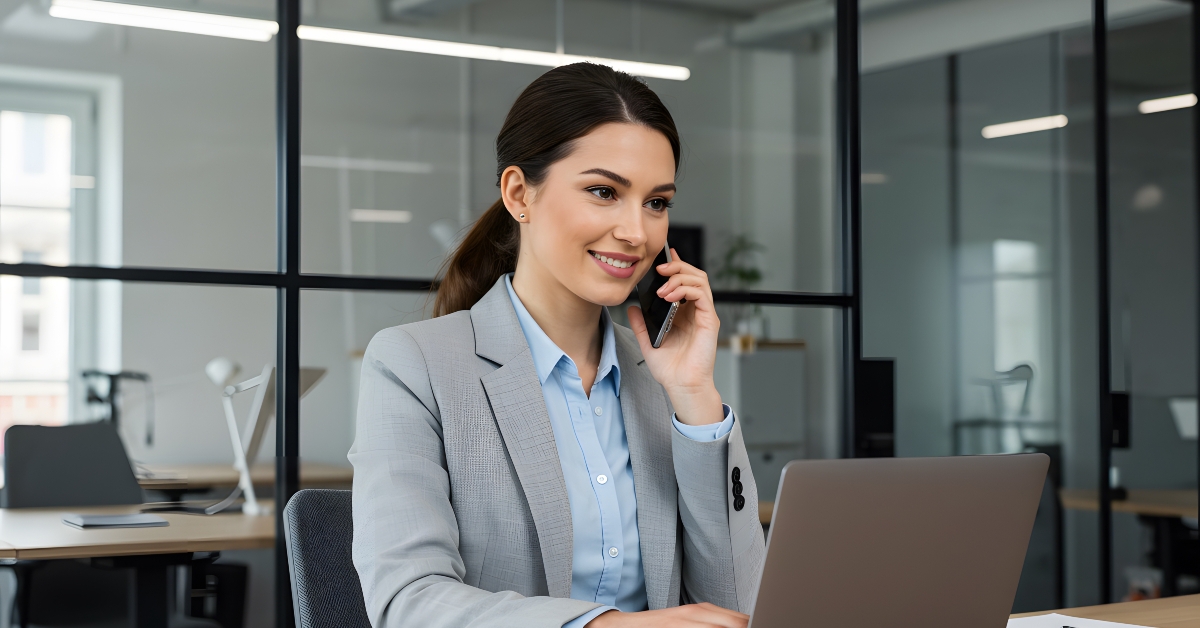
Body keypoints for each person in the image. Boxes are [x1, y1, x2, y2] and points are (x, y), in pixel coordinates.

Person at [350, 62, 765, 628]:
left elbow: (739, 605)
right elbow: (409, 602)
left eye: (656, 202)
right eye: (603, 192)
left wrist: (695, 398)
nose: (637, 232)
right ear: (520, 193)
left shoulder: (659, 376)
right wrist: (604, 625)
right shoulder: (415, 365)